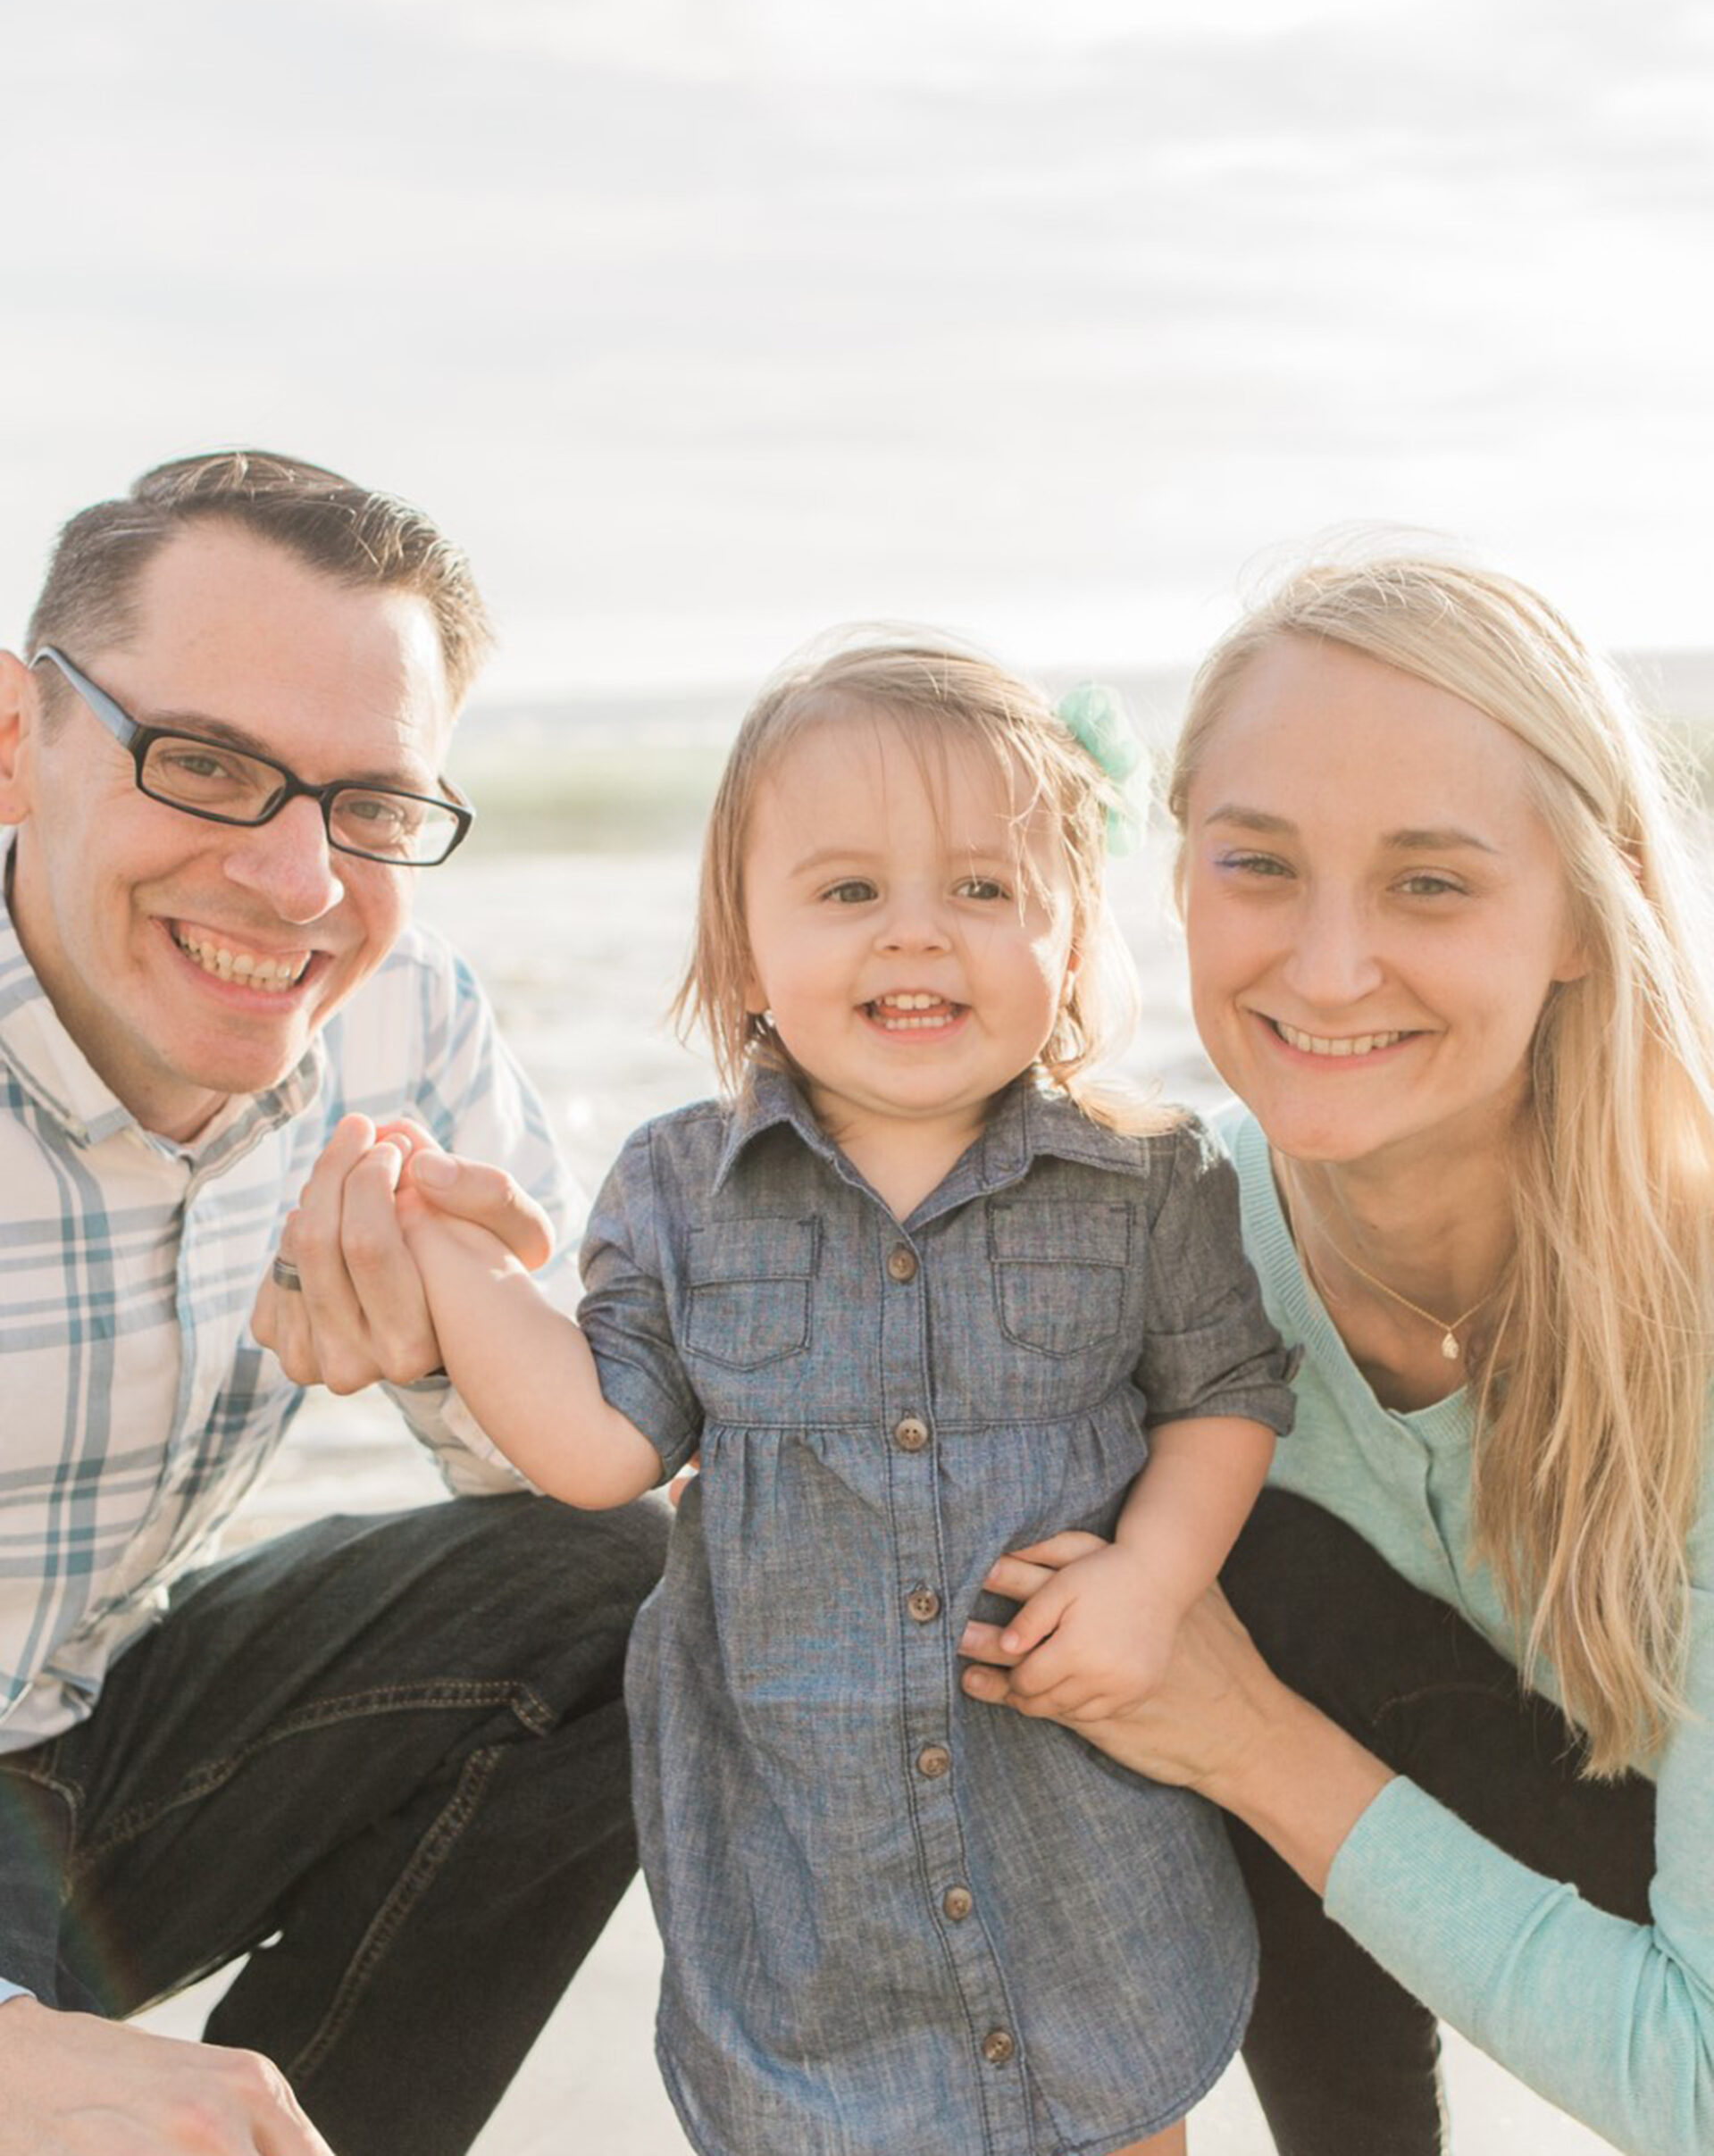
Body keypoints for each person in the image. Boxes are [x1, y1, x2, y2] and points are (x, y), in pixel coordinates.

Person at [305, 637, 1300, 2156]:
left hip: (1082, 1844)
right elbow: (596, 1447)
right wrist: (451, 1260)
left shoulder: (1146, 1177)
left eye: (982, 890)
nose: (919, 938)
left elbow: (1227, 1393)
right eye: (850, 894)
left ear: (1074, 928)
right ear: (747, 946)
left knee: (1119, 2117)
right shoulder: (681, 1190)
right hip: (810, 1878)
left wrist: (1155, 1583)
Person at [960, 556, 1714, 2156]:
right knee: (1151, 1565)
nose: (1325, 966)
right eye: (1260, 866)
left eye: (1429, 883)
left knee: (1244, 1604)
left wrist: (1247, 1740)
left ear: (1590, 907)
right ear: (1176, 879)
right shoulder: (1138, 1257)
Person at [0, 449, 667, 2156]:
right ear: (19, 737)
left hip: (90, 1722)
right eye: (206, 765)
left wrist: (458, 1344)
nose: (298, 887)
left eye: (370, 808)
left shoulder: (397, 1020)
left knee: (633, 1596)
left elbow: (584, 1484)